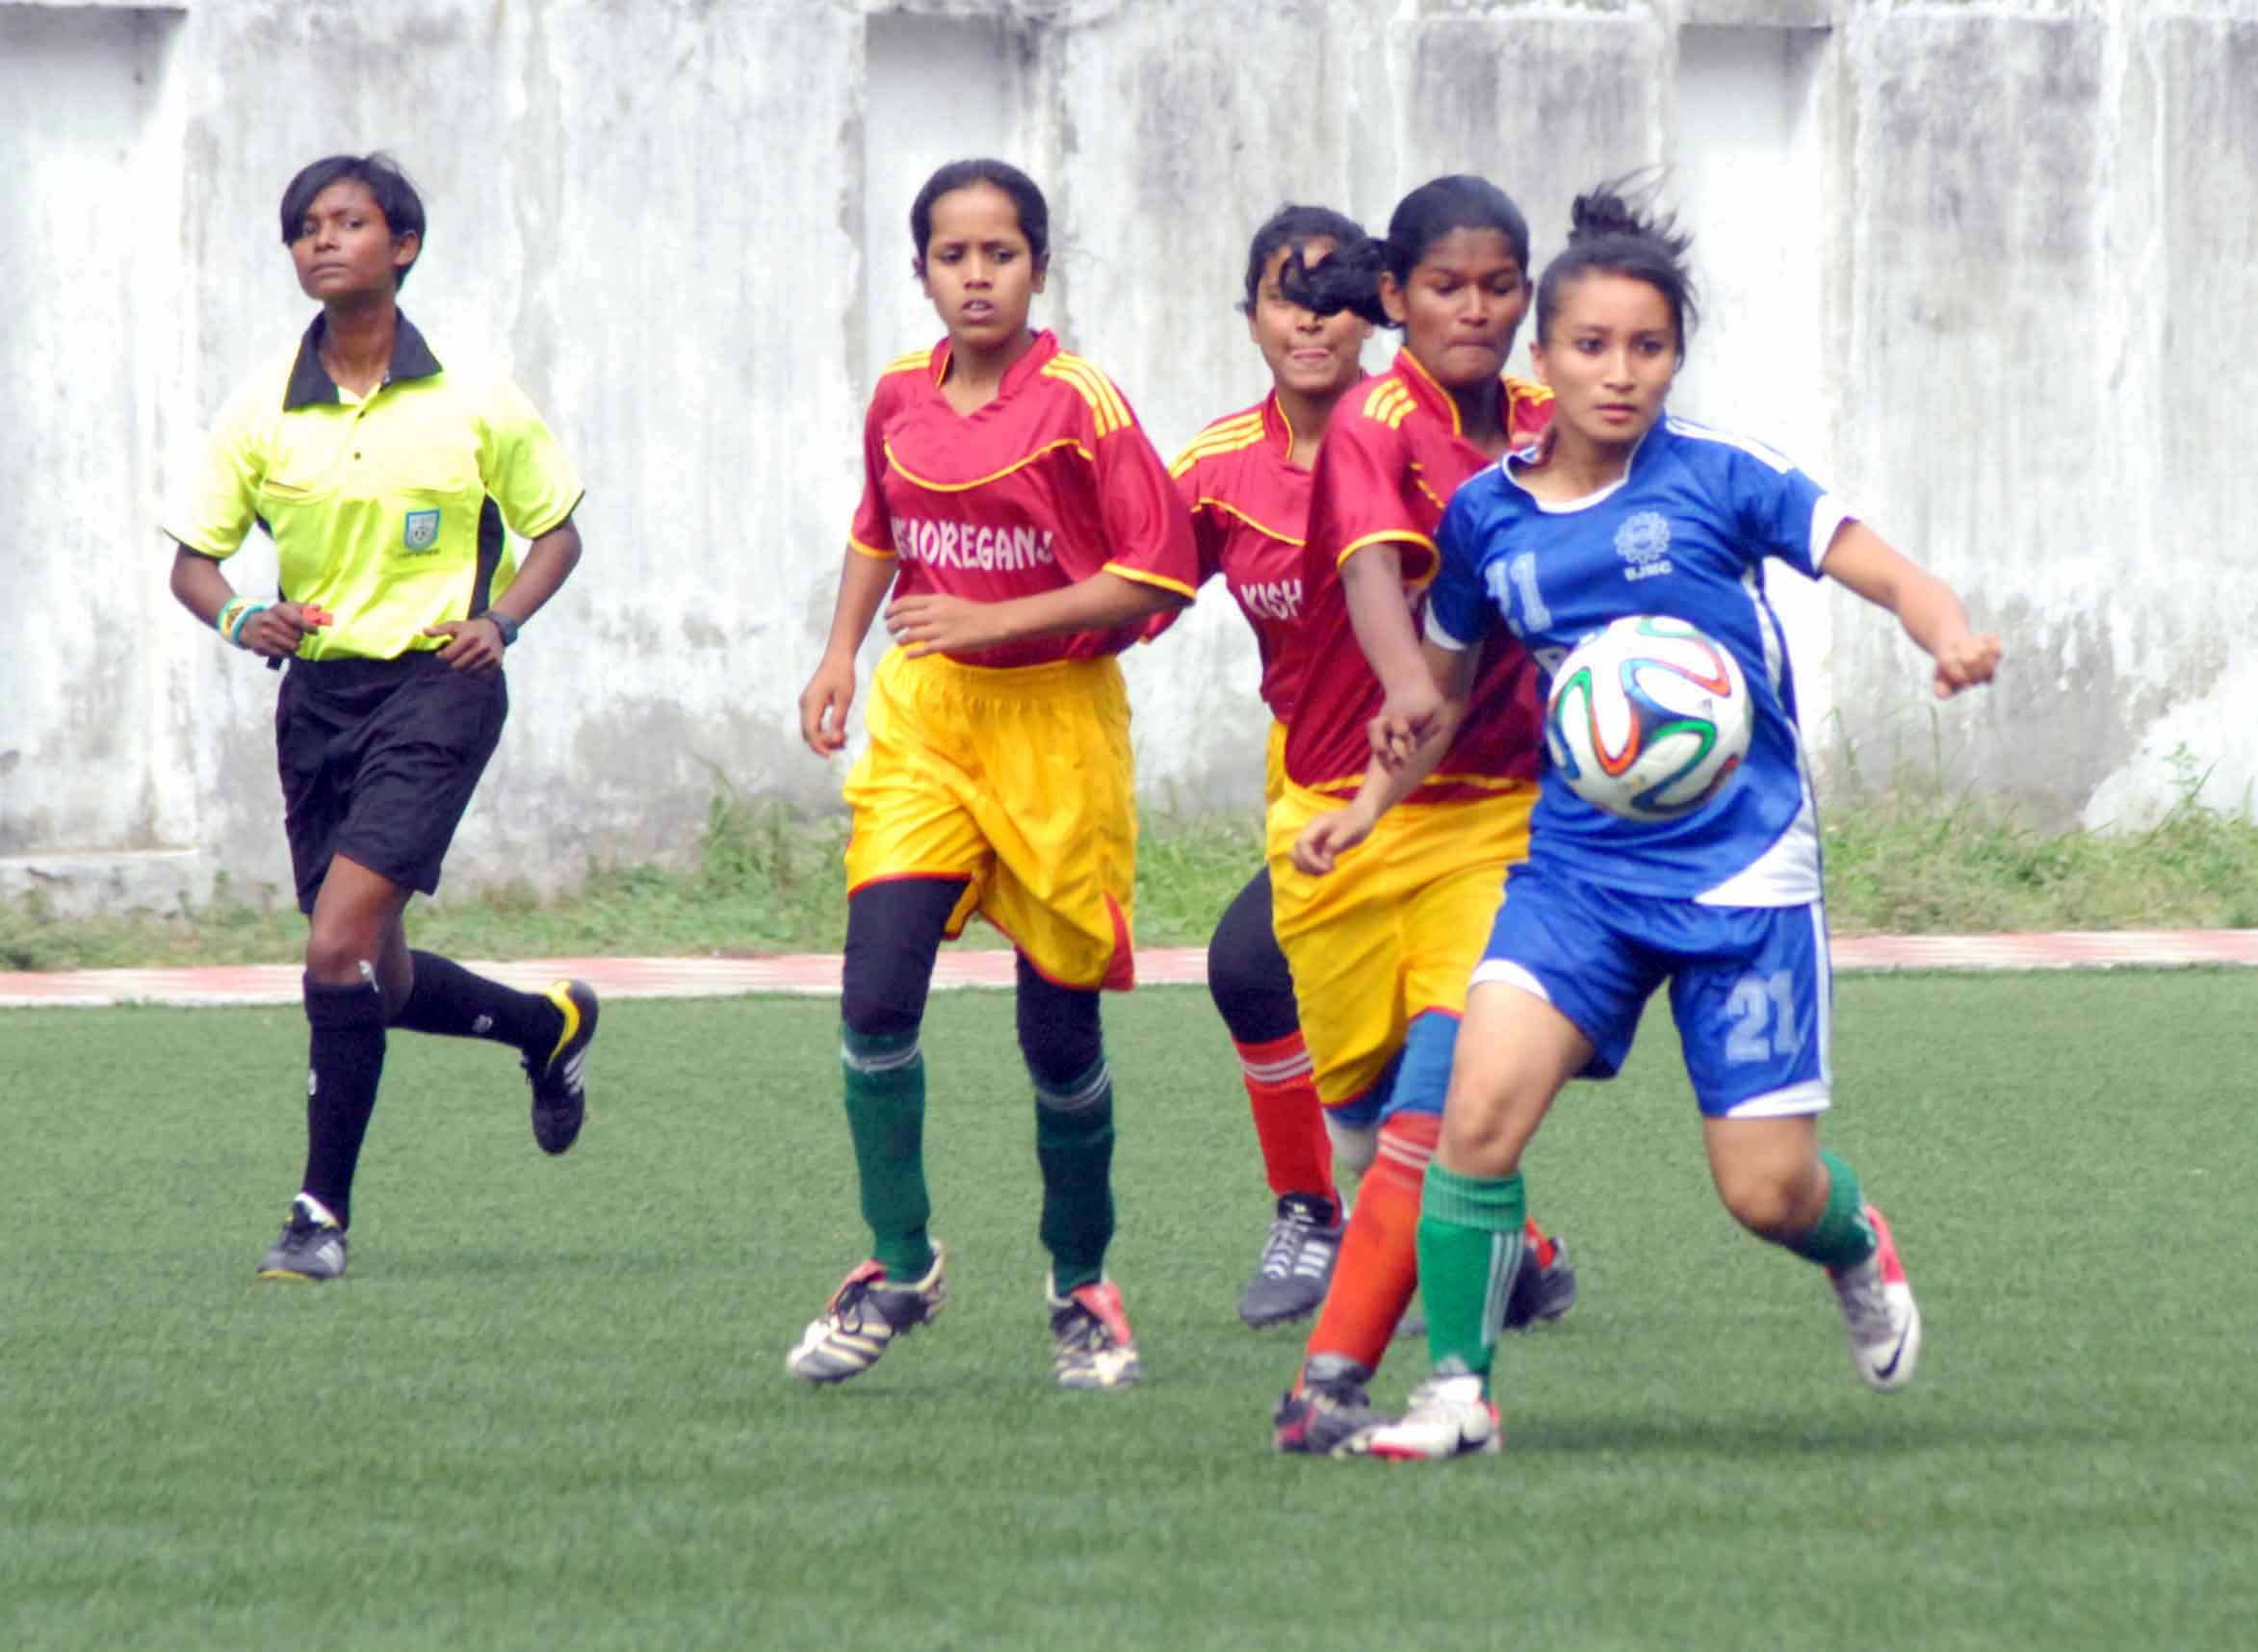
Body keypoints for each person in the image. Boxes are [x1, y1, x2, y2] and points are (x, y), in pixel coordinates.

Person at [1318, 181, 2001, 1459]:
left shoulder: (1718, 480)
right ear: (1544, 358)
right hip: (1577, 877)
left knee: (1764, 1191)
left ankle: (1852, 1243)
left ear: (1673, 358)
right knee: (1477, 1111)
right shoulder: (1486, 519)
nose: (1618, 374)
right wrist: (1365, 808)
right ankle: (1456, 1395)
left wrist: (1946, 630)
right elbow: (1446, 697)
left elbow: (1888, 568)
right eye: (1590, 346)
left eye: (1646, 348)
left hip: (1740, 878)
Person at [789, 159, 1197, 1392]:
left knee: (1055, 1032)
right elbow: (881, 526)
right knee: (874, 995)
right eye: (953, 256)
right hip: (926, 725)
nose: (976, 275)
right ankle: (898, 1266)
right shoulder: (898, 396)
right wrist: (839, 653)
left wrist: (995, 622)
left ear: (1036, 265)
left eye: (1000, 254)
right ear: (919, 270)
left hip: (1055, 731)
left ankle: (1082, 1283)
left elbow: (1159, 576)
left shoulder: (1083, 405)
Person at [163, 153, 598, 1281]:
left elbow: (556, 533)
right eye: (305, 226)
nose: (323, 241)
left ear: (400, 246)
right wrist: (241, 618)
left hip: (438, 687)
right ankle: (545, 1029)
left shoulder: (475, 398)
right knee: (376, 977)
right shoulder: (261, 406)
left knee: (334, 944)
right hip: (318, 701)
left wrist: (499, 622)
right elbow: (194, 566)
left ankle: (318, 1216)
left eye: (348, 222)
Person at [1256, 176, 1578, 1457]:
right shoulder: (1371, 426)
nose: (1477, 309)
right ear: (1395, 298)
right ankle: (1513, 1244)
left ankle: (1329, 1384)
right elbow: (1373, 571)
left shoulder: (1556, 419)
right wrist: (1403, 685)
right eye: (1446, 286)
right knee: (1366, 1117)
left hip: (1501, 820)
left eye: (1501, 286)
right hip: (1345, 815)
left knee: (1432, 1104)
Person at [1168, 205, 1374, 1329]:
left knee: (1407, 1033)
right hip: (1313, 795)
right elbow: (1132, 581)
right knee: (1254, 975)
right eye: (1285, 294)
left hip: (1458, 789)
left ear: (1377, 311)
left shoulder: (1430, 437)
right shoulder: (1214, 468)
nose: (1311, 318)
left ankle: (1462, 1227)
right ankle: (1313, 1212)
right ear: (1249, 313)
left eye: (1336, 294)